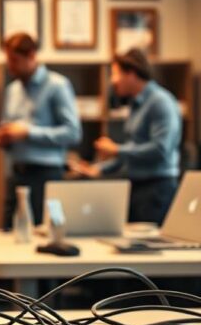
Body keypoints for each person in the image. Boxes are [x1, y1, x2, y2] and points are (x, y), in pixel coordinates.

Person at [73, 48, 182, 224]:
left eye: (115, 74)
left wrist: (116, 150)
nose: (112, 81)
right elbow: (133, 151)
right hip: (137, 187)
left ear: (131, 73)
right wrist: (100, 169)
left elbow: (161, 149)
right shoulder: (136, 104)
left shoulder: (160, 102)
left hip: (156, 190)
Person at [0, 32, 81, 228]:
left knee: (42, 236)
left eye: (15, 60)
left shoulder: (57, 86)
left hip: (46, 176)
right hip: (16, 174)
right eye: (8, 60)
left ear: (31, 55)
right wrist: (4, 138)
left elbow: (73, 133)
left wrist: (28, 132)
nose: (10, 66)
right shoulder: (12, 90)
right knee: (7, 234)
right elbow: (10, 127)